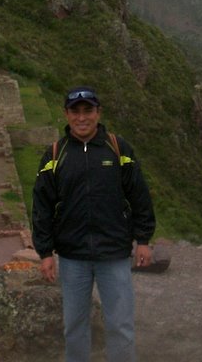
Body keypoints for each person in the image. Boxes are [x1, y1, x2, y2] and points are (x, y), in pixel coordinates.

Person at [32, 86, 155, 362]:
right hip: (73, 256)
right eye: (75, 111)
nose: (82, 117)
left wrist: (143, 240)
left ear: (98, 113)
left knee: (120, 326)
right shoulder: (54, 155)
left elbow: (139, 195)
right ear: (66, 114)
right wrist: (45, 252)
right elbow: (41, 206)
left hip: (114, 253)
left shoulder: (118, 148)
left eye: (88, 110)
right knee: (74, 327)